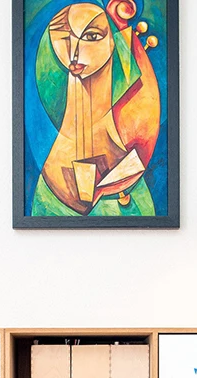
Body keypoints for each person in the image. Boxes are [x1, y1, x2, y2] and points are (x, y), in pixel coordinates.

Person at [28, 0, 161, 217]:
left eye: (91, 36)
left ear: (114, 41)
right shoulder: (49, 187)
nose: (73, 52)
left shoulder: (130, 164)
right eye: (64, 36)